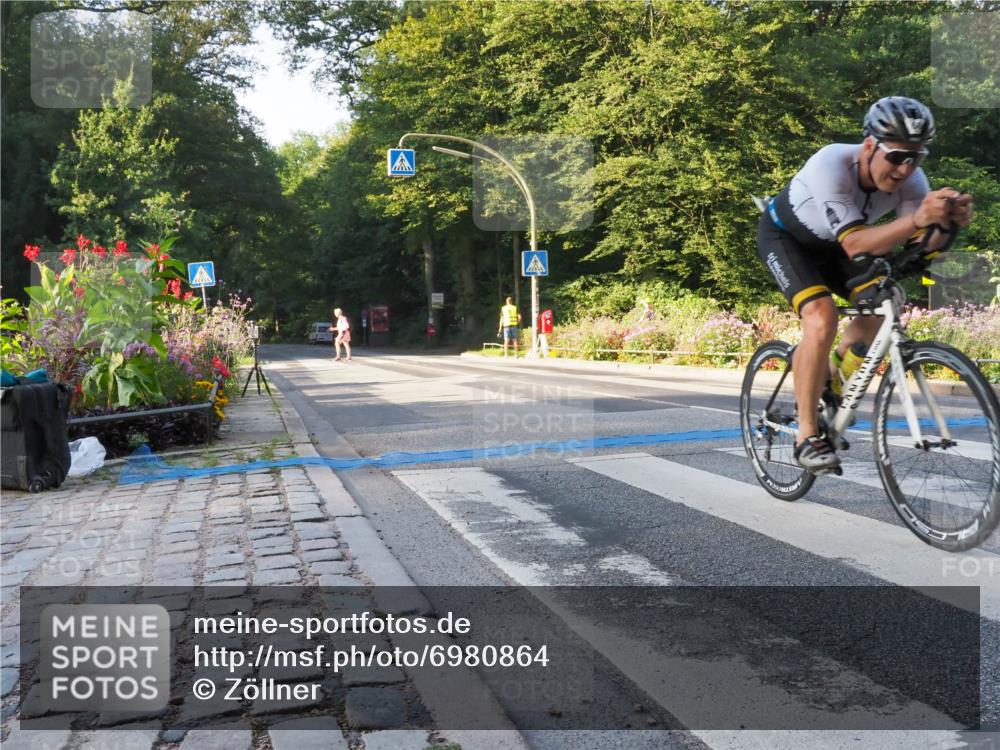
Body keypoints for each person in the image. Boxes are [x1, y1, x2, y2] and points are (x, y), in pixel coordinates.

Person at [756, 96, 973, 471]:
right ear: (870, 145)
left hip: (839, 246)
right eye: (896, 156)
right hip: (788, 240)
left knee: (888, 297)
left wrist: (946, 224)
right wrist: (921, 217)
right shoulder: (831, 164)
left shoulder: (911, 180)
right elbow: (857, 243)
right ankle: (806, 435)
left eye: (915, 158)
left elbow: (917, 246)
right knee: (821, 317)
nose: (905, 169)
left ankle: (834, 376)